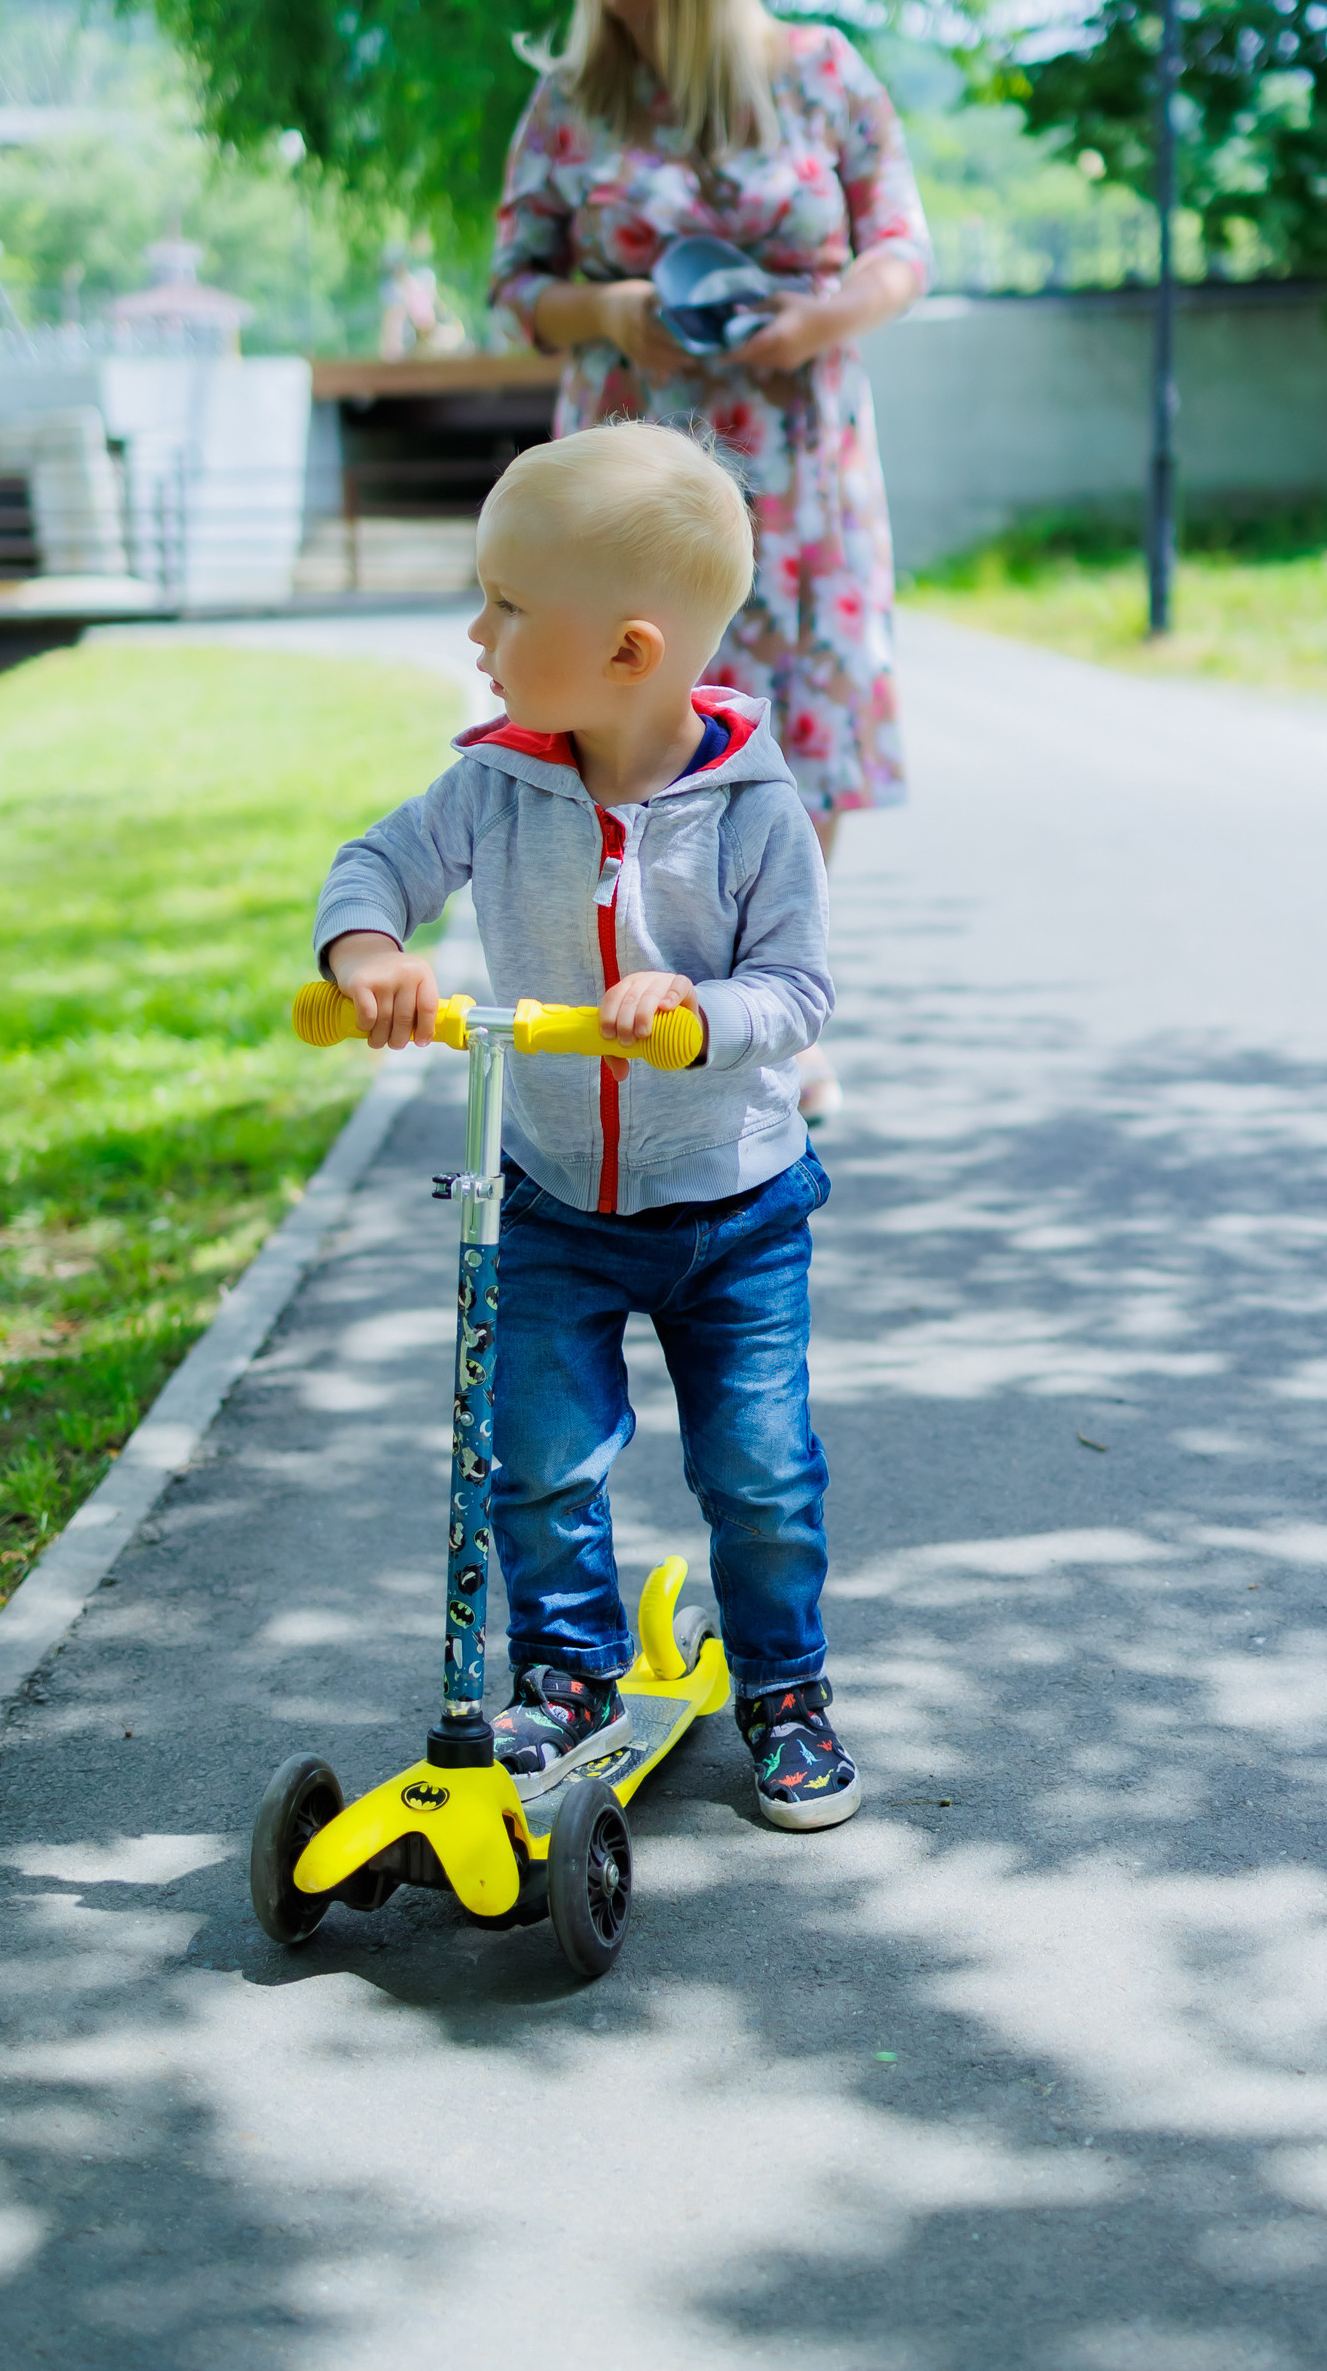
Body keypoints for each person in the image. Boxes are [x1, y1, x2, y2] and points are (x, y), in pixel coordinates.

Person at [313, 420, 860, 1831]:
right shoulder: (497, 781)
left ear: (627, 652)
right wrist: (368, 950)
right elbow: (379, 860)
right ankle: (565, 1670)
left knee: (759, 1470)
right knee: (538, 1455)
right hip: (550, 1192)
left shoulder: (752, 812)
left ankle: (786, 1689)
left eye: (506, 603)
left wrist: (702, 1014)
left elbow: (797, 988)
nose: (476, 630)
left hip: (733, 1210)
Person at [489, 0, 931, 1124]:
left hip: (798, 469)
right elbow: (515, 285)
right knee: (635, 720)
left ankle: (774, 1022)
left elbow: (903, 246)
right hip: (636, 471)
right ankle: (639, 1002)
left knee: (794, 733)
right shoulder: (570, 101)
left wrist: (823, 320)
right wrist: (613, 312)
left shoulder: (822, 72)